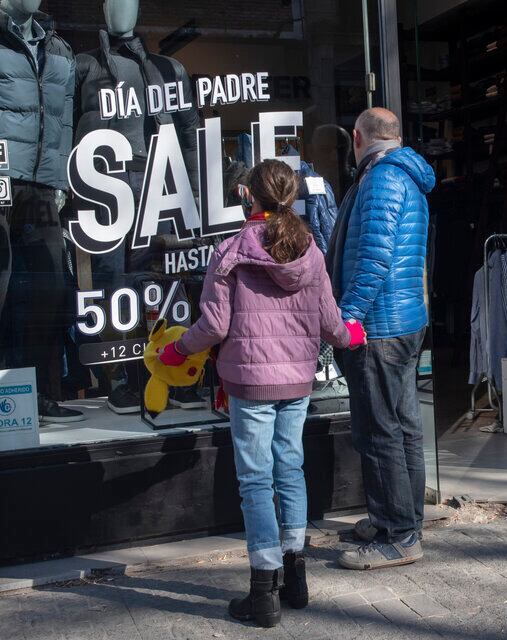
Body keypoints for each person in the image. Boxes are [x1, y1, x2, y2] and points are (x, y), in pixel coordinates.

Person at [155, 159, 366, 627]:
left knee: (255, 481)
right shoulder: (311, 251)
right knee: (290, 469)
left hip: (250, 382)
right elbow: (332, 325)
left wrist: (176, 350)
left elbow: (214, 326)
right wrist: (353, 334)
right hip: (297, 380)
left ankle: (263, 592)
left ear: (247, 196)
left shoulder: (230, 252)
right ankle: (295, 577)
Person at [327, 108, 435, 570]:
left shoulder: (381, 179)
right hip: (403, 320)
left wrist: (345, 319)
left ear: (357, 137)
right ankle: (403, 520)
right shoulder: (404, 176)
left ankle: (398, 535)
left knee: (380, 432)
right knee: (403, 426)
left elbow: (373, 259)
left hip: (379, 328)